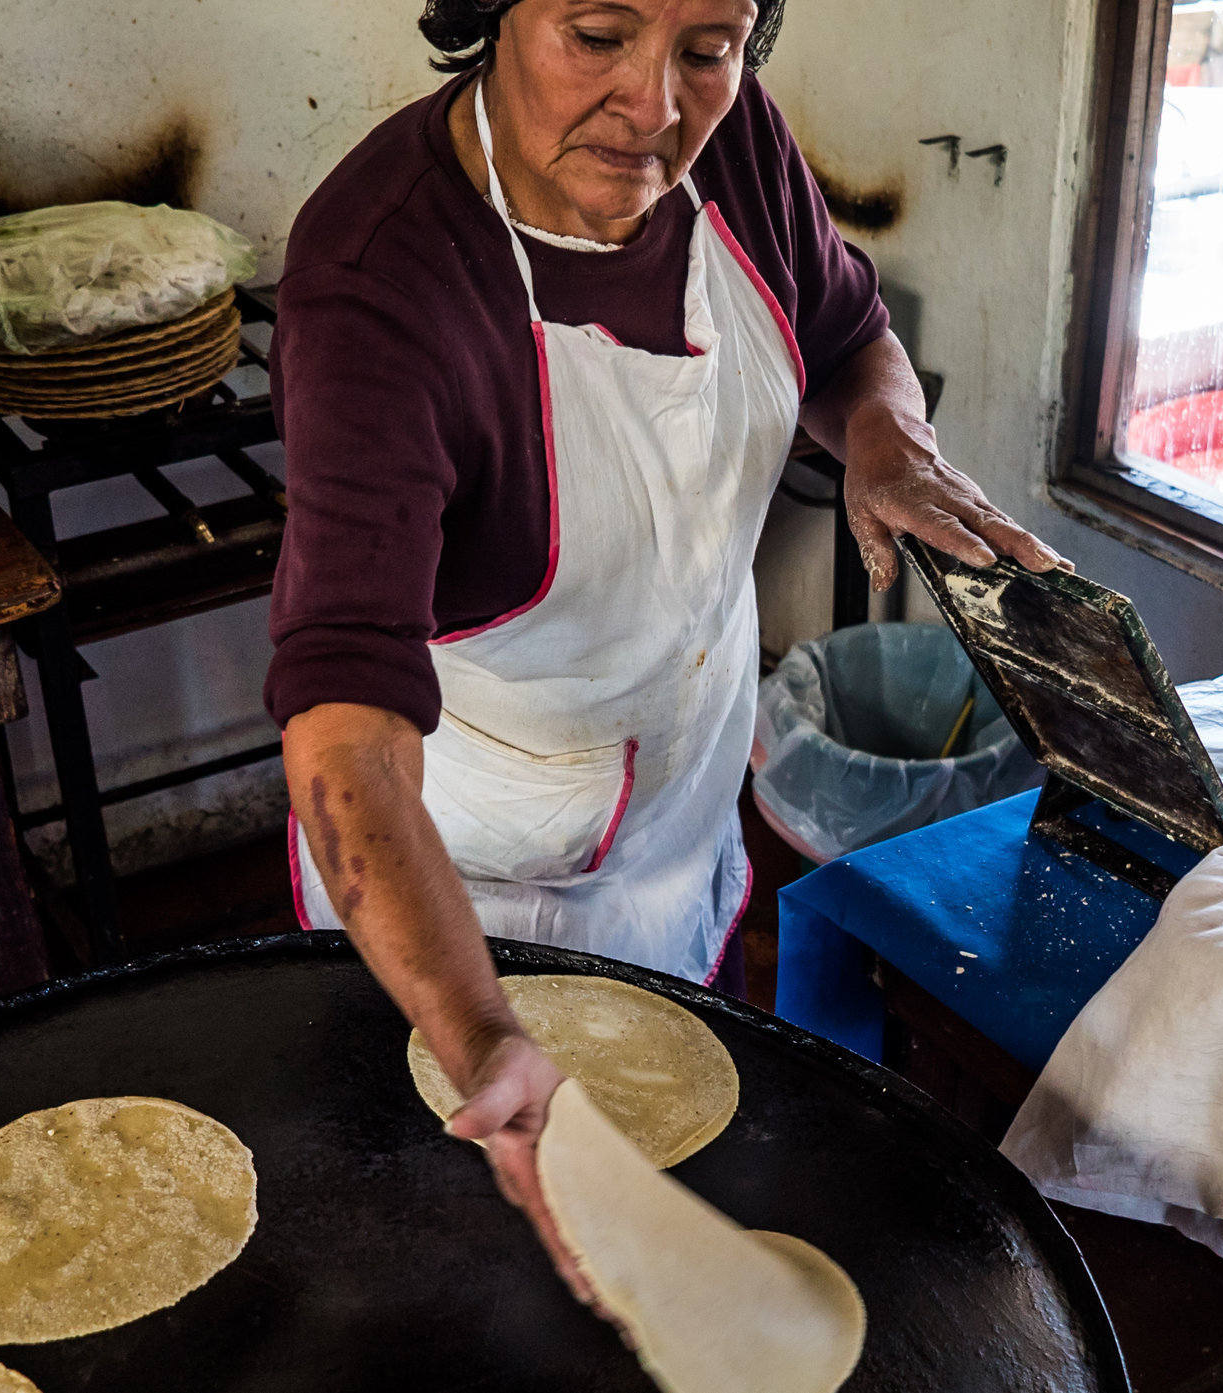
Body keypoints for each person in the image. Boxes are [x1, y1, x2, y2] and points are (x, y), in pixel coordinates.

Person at [266, 0, 1065, 1286]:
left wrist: (882, 442)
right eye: (597, 34)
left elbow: (848, 335)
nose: (655, 109)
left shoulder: (732, 143)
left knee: (679, 1230)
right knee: (476, 1279)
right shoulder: (382, 276)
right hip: (477, 897)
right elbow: (343, 737)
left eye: (708, 46)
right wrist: (479, 1036)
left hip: (683, 807)